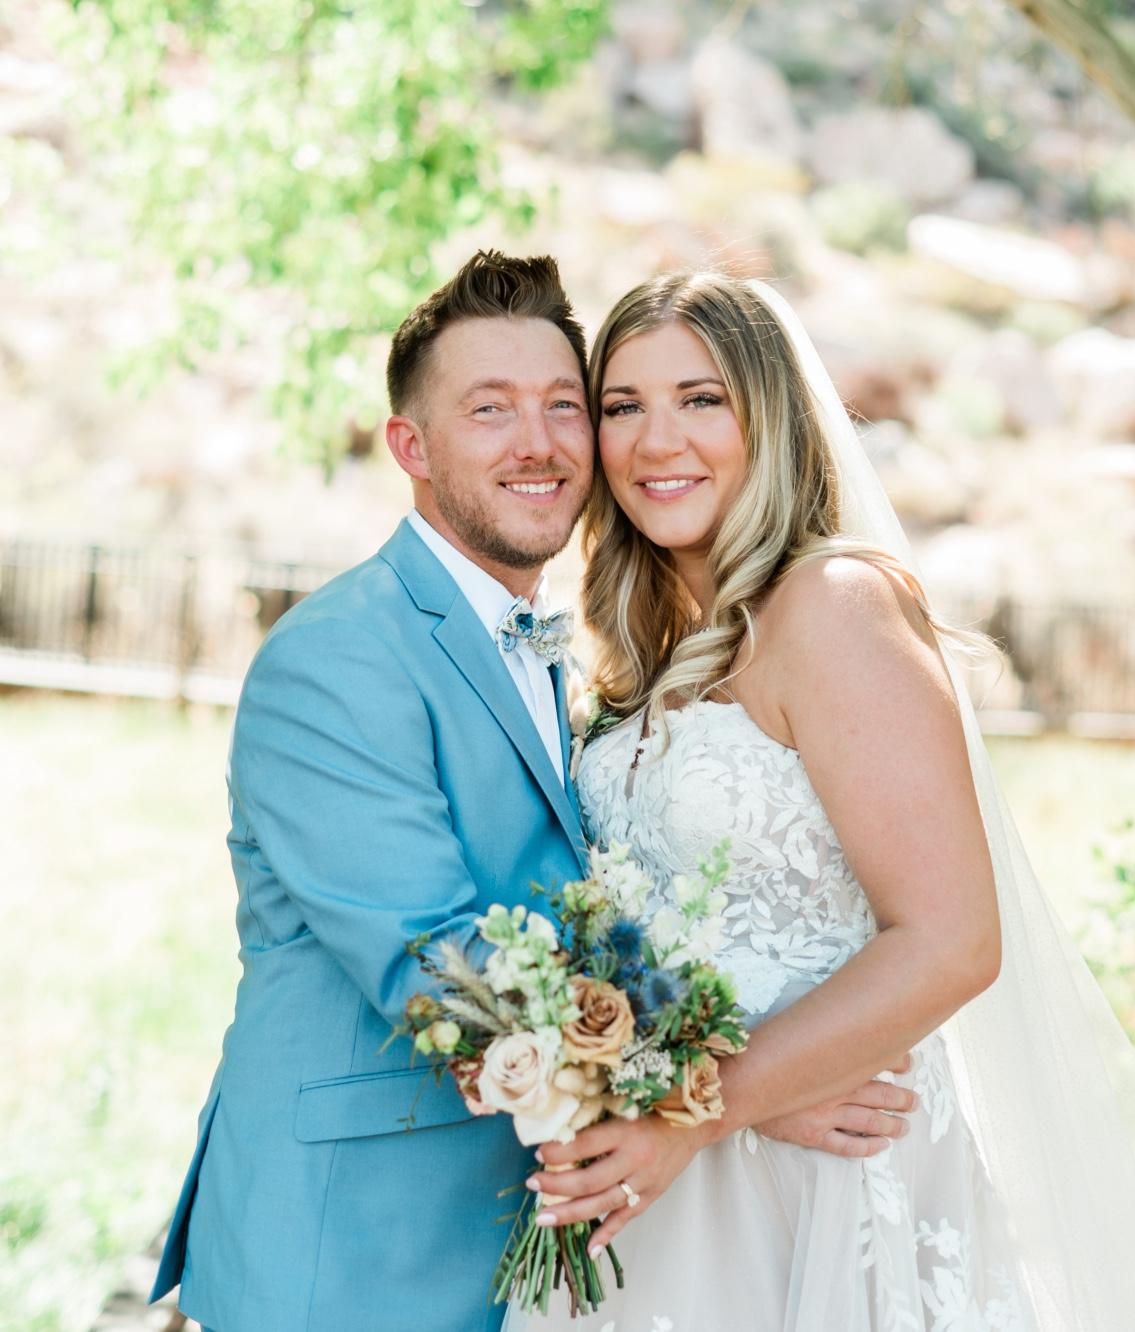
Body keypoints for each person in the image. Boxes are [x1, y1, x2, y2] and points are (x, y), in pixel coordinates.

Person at [512, 271, 1135, 1331]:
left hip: (824, 1189)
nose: (658, 441)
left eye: (702, 399)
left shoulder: (833, 605)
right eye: (623, 405)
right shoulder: (644, 658)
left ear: (771, 418)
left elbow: (952, 940)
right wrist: (676, 1095)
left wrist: (704, 1110)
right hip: (683, 1174)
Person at [148, 251, 917, 1332]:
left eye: (565, 405)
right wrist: (723, 1098)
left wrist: (737, 1094)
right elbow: (442, 969)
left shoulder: (568, 650)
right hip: (358, 1248)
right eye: (490, 409)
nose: (539, 443)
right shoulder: (339, 658)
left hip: (545, 1236)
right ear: (411, 447)